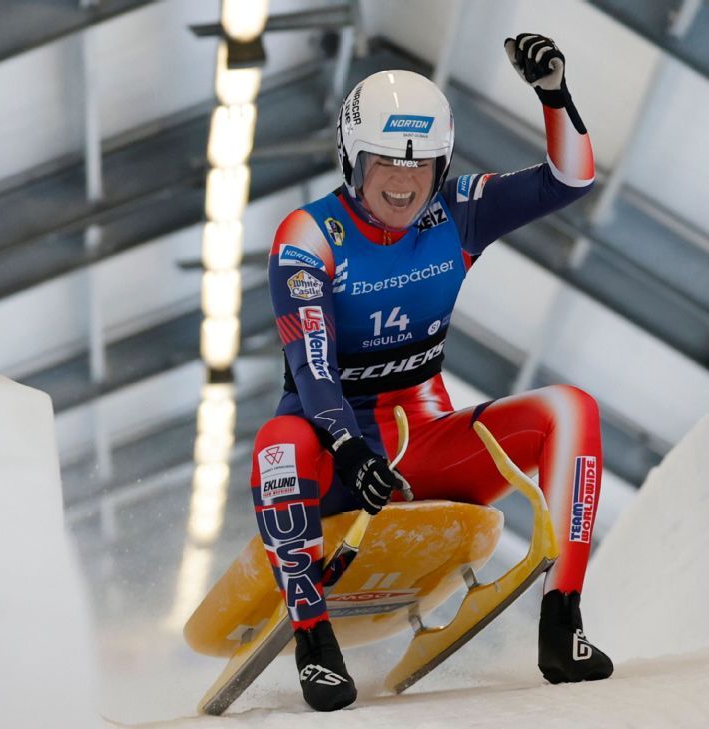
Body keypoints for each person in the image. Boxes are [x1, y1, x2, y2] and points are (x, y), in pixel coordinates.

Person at [250, 33, 612, 712]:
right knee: (278, 442)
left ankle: (562, 618)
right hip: (333, 456)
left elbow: (569, 179)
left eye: (422, 164)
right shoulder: (306, 236)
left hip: (424, 442)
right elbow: (312, 365)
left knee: (572, 407)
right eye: (385, 159)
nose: (403, 180)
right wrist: (349, 446)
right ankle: (312, 637)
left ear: (442, 166)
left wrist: (554, 96)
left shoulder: (459, 210)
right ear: (352, 160)